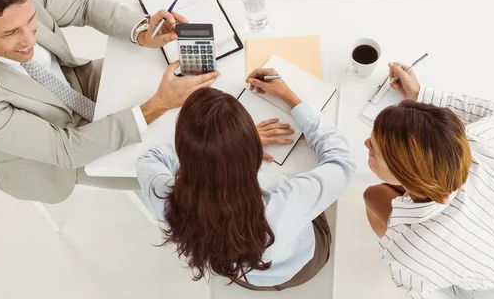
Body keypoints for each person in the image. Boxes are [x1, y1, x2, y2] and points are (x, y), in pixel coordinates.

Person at [0, 0, 219, 204]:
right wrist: (156, 105)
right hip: (57, 155)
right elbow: (65, 149)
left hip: (76, 85)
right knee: (182, 174)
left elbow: (84, 5)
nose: (29, 40)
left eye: (31, 22)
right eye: (11, 33)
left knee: (164, 74)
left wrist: (141, 30)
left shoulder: (17, 0)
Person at [136, 68, 356, 291]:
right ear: (251, 149)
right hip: (300, 267)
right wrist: (290, 97)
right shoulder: (286, 200)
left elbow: (150, 158)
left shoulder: (166, 198)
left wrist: (213, 153)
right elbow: (342, 161)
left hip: (245, 278)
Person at [363, 62, 494, 298]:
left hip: (486, 285)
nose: (365, 145)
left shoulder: (410, 250)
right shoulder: (485, 141)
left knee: (371, 195)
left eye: (372, 152)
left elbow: (423, 293)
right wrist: (420, 93)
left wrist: (399, 241)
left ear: (406, 175)